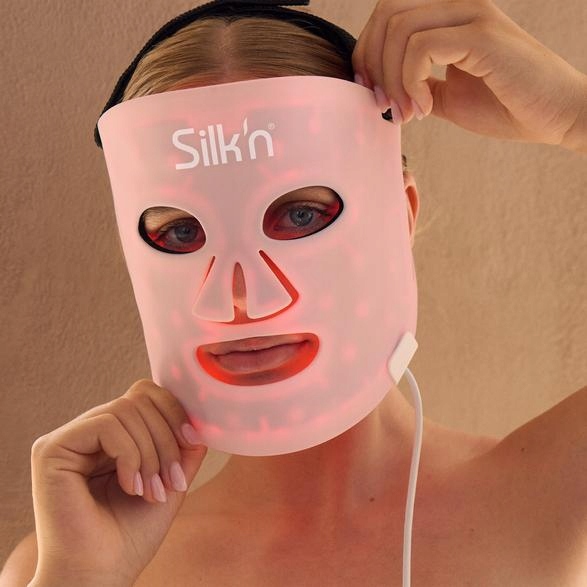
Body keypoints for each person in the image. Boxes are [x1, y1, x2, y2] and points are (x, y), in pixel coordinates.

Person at [2, 0, 586, 585]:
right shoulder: (71, 556)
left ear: (400, 215)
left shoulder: (561, 503)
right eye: (181, 233)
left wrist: (574, 114)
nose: (242, 299)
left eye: (301, 216)